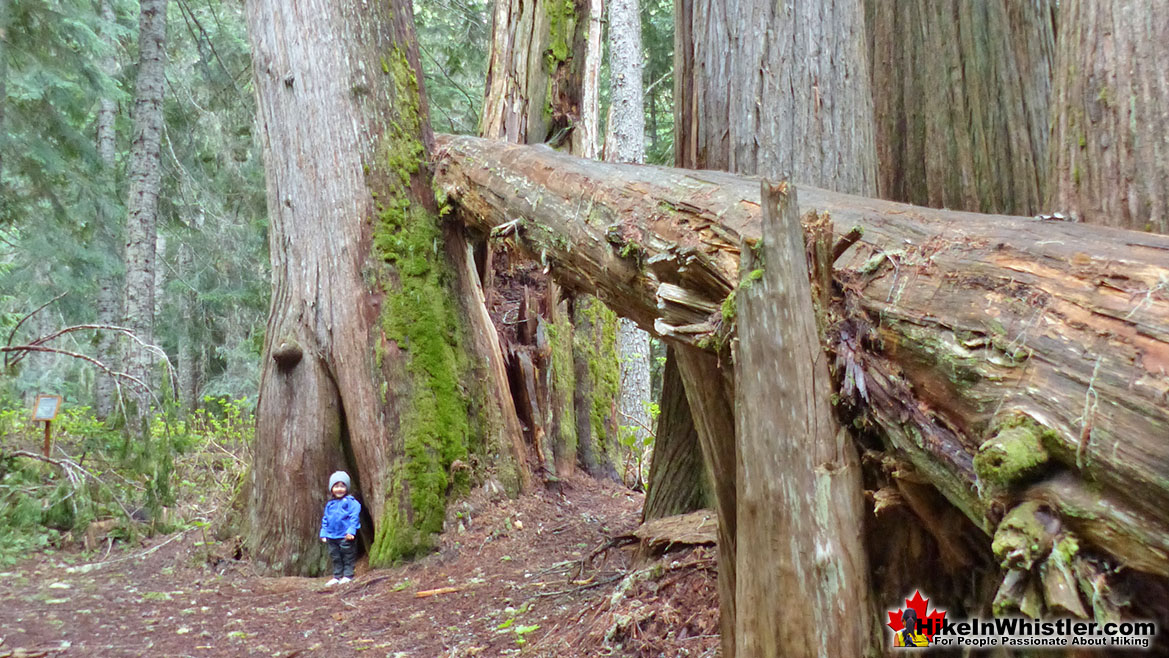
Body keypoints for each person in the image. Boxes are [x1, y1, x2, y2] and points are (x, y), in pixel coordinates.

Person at [320, 470, 361, 586]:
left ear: (347, 488)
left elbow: (354, 517)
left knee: (348, 555)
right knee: (335, 556)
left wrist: (351, 531)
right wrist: (324, 533)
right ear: (331, 488)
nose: (339, 489)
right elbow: (325, 519)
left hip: (345, 535)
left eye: (342, 486)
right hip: (332, 535)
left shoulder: (351, 502)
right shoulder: (330, 504)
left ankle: (348, 575)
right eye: (336, 486)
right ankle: (337, 576)